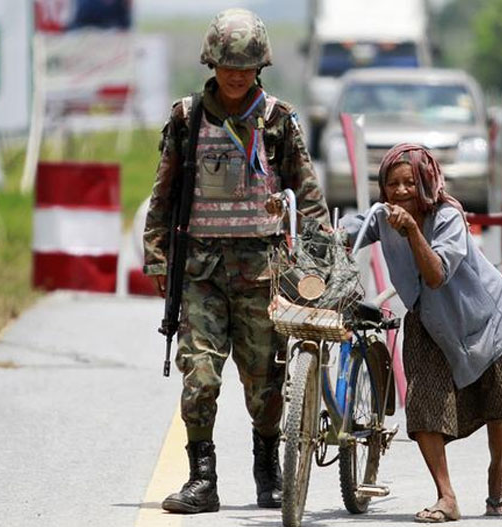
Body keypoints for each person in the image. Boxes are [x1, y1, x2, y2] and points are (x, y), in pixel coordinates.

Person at [142, 8, 330, 514]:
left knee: (265, 385)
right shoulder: (186, 120)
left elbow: (308, 199)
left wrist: (318, 263)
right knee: (199, 377)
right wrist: (158, 258)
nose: (236, 75)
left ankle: (268, 474)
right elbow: (163, 197)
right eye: (228, 64)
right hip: (200, 273)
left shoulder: (277, 121)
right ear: (211, 63)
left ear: (260, 68)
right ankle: (202, 480)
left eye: (246, 66)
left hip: (261, 271)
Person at [340, 143, 502, 523]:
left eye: (410, 182)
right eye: (391, 183)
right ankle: (446, 496)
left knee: (499, 401)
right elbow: (354, 228)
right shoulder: (384, 217)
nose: (400, 191)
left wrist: (412, 231)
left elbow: (436, 275)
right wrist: (331, 232)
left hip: (478, 318)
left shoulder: (448, 217)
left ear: (427, 182)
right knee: (425, 405)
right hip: (427, 320)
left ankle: (497, 473)